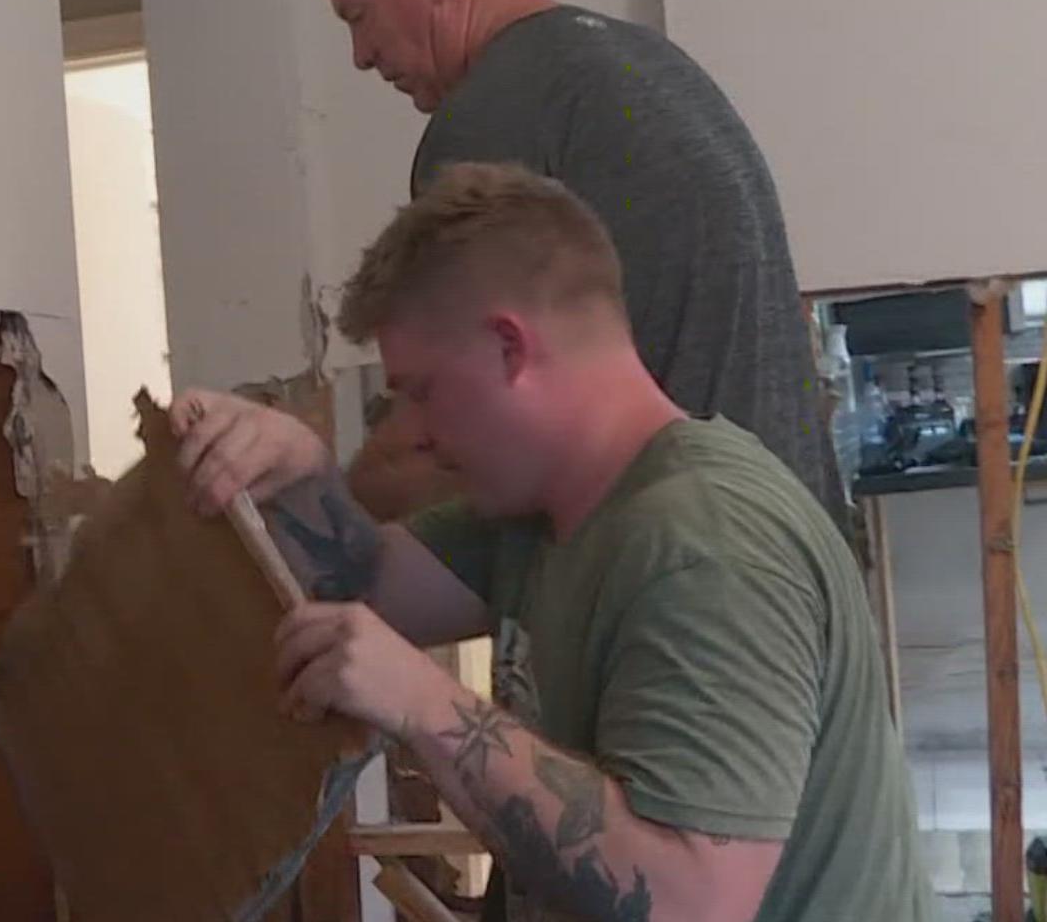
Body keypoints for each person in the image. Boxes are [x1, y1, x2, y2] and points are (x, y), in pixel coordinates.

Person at [172, 163, 930, 922]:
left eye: (425, 391)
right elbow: (369, 586)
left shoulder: (704, 542)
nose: (421, 436)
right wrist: (296, 470)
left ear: (509, 347)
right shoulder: (539, 509)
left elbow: (691, 903)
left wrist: (426, 703)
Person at [309, 0, 844, 525]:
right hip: (787, 538)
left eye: (359, 16)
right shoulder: (653, 64)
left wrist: (320, 509)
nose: (361, 55)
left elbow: (456, 433)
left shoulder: (490, 121)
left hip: (676, 560)